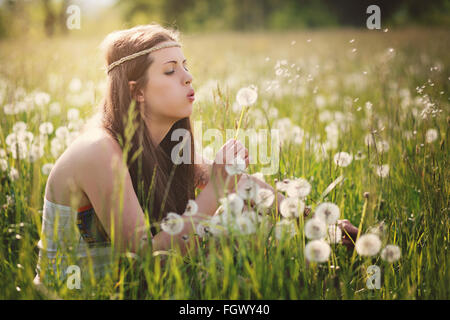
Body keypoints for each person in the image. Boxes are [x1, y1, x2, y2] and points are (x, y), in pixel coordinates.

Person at [34, 24, 358, 287]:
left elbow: (244, 186)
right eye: (170, 70)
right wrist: (216, 189)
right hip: (75, 295)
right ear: (137, 92)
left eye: (185, 67)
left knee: (241, 225)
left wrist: (318, 224)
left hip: (132, 289)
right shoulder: (99, 150)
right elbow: (144, 258)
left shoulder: (166, 144)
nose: (187, 77)